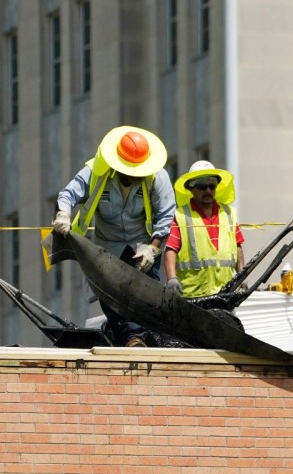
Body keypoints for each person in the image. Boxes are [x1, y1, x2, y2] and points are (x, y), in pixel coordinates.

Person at [53, 125, 176, 347]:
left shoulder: (157, 177)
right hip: (108, 244)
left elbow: (166, 216)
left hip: (143, 243)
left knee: (146, 293)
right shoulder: (96, 172)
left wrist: (152, 248)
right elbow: (68, 194)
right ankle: (129, 338)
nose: (131, 176)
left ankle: (139, 337)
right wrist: (63, 213)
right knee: (110, 293)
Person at [163, 161, 245, 299]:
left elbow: (237, 246)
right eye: (202, 186)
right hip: (193, 296)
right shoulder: (182, 216)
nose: (208, 191)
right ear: (191, 188)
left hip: (226, 293)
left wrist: (242, 275)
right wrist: (172, 278)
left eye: (212, 186)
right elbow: (171, 249)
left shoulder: (228, 213)